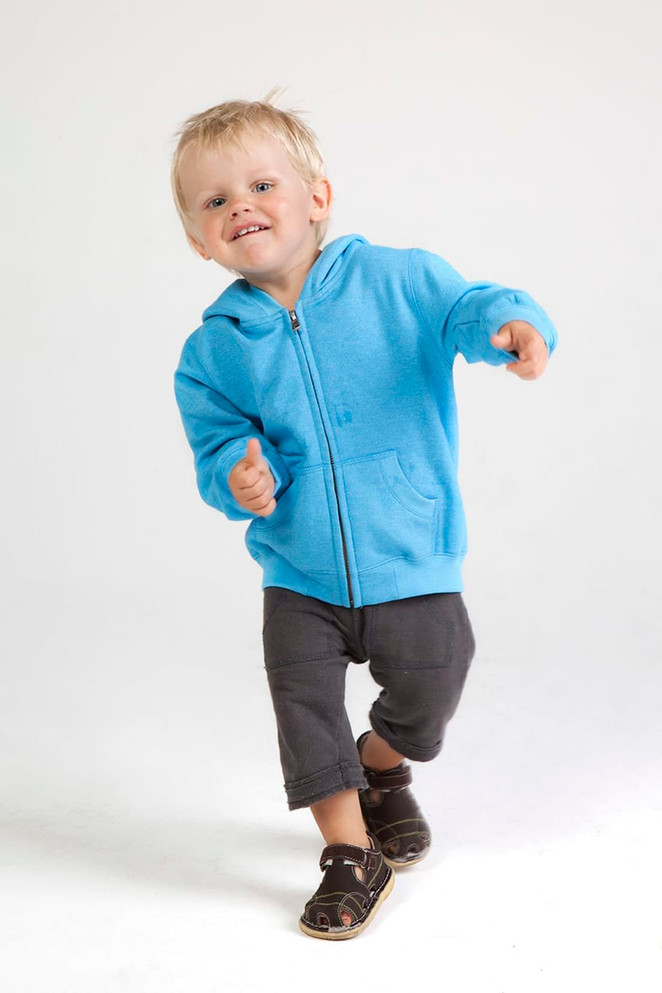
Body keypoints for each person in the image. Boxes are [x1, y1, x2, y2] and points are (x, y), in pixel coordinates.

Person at [172, 96, 557, 940]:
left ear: (317, 197)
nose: (240, 205)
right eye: (215, 199)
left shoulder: (397, 280)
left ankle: (381, 765)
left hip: (410, 550)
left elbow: (468, 306)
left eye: (261, 185)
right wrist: (240, 475)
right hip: (298, 570)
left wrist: (510, 324)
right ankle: (350, 853)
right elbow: (218, 446)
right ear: (200, 240)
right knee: (302, 706)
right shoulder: (213, 351)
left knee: (434, 681)